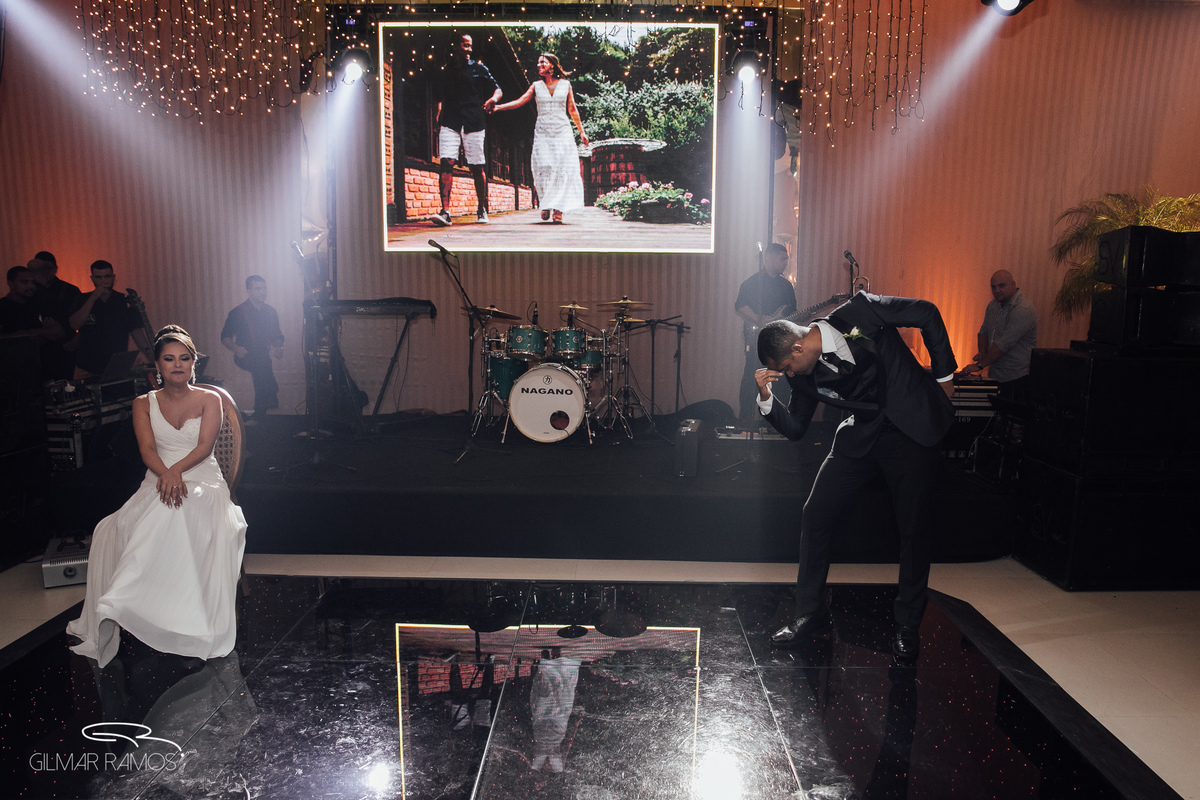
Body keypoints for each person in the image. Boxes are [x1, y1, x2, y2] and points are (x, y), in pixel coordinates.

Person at [754, 292, 957, 662]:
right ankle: (810, 614)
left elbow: (927, 313)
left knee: (913, 528)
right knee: (815, 514)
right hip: (860, 436)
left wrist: (944, 378)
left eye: (785, 368)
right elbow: (797, 427)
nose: (786, 376)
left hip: (911, 429)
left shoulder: (862, 310)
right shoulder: (801, 376)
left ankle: (908, 625)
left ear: (798, 349)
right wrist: (768, 400)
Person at [67, 325, 248, 668]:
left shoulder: (211, 399)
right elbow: (147, 449)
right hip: (157, 478)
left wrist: (176, 472)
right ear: (157, 366)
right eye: (169, 359)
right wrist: (166, 474)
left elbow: (205, 447)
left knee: (176, 509)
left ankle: (156, 610)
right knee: (112, 527)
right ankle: (132, 604)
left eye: (184, 358)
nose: (177, 365)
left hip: (202, 479)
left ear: (194, 364)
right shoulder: (142, 403)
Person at [491, 53, 589, 225]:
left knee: (561, 168)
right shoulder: (536, 86)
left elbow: (572, 109)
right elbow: (520, 101)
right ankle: (546, 203)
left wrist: (582, 131)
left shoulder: (566, 85)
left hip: (562, 131)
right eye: (538, 62)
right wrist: (499, 107)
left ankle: (558, 209)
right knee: (544, 166)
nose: (539, 65)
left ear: (552, 65)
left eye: (542, 62)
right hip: (543, 131)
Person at [431, 34, 503, 226]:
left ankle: (482, 208)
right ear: (456, 47)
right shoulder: (447, 71)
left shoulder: (479, 69)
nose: (469, 49)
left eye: (470, 46)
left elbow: (498, 89)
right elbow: (439, 95)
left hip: (474, 122)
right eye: (465, 45)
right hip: (450, 121)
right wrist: (438, 110)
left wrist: (493, 99)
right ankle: (445, 211)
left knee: (476, 166)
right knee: (446, 162)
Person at [735, 243, 797, 423]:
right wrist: (760, 320)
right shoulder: (753, 282)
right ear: (769, 258)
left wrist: (813, 315)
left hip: (779, 341)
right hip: (757, 338)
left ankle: (776, 422)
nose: (786, 262)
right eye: (782, 259)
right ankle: (745, 420)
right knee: (751, 377)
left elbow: (792, 313)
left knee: (781, 380)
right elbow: (740, 306)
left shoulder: (786, 286)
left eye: (787, 259)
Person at [961, 270, 1038, 402]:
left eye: (1001, 285)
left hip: (1016, 378)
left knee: (1011, 418)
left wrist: (979, 365)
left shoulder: (1024, 309)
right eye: (993, 286)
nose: (997, 290)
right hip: (995, 375)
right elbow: (983, 333)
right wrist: (982, 352)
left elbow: (1003, 345)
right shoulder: (993, 305)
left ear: (1013, 285)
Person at [69, 260, 152, 379]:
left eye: (107, 276)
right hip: (86, 365)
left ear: (113, 277)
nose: (103, 281)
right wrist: (93, 297)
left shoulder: (124, 301)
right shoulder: (82, 299)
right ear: (92, 278)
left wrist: (151, 356)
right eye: (99, 277)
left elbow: (137, 333)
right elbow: (75, 325)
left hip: (115, 365)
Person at [221, 275, 284, 419]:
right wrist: (236, 348)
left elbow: (277, 335)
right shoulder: (237, 312)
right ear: (248, 291)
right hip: (245, 356)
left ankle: (259, 412)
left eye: (264, 289)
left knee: (263, 363)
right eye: (258, 289)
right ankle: (263, 406)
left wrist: (279, 347)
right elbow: (225, 337)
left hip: (263, 356)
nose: (262, 292)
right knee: (262, 364)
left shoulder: (271, 312)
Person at [28, 252, 83, 379]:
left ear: (55, 269)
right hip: (40, 351)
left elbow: (85, 319)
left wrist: (76, 341)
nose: (47, 272)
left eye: (49, 268)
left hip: (66, 347)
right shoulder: (31, 292)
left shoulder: (70, 290)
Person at [1, 265, 65, 341]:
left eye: (33, 283)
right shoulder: (3, 307)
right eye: (25, 282)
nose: (31, 286)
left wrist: (30, 332)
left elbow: (58, 332)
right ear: (11, 284)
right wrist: (42, 332)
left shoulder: (37, 302)